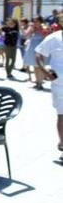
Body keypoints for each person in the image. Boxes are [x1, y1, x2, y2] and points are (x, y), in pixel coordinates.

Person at [35, 13, 63, 162]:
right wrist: (45, 71)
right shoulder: (54, 37)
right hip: (60, 83)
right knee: (62, 115)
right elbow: (38, 54)